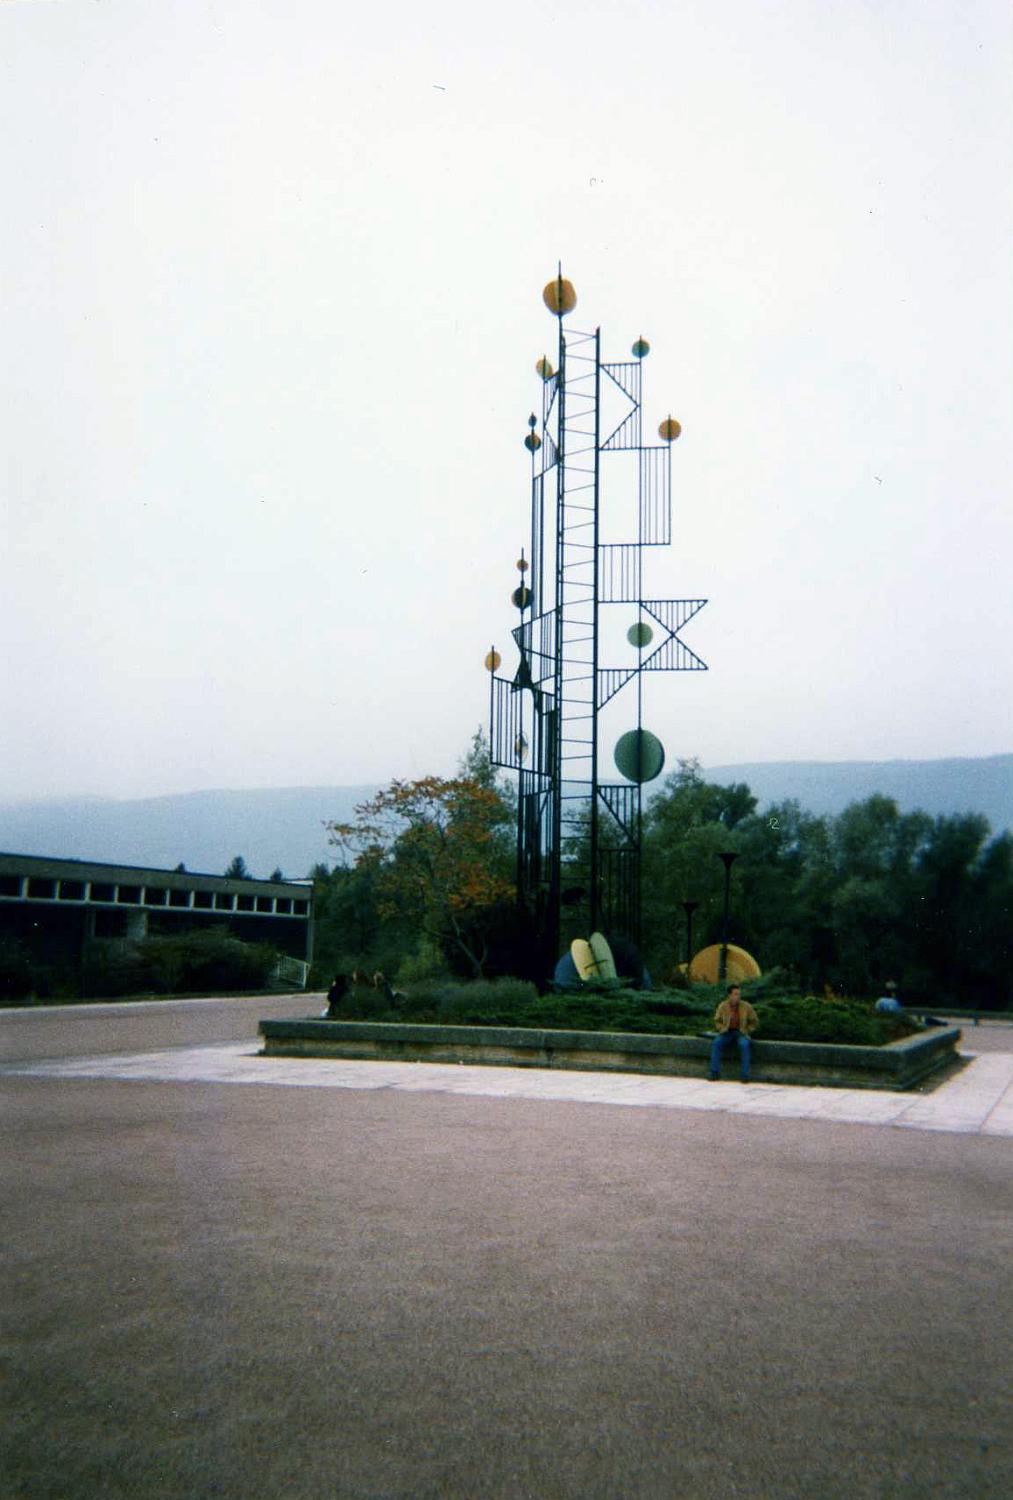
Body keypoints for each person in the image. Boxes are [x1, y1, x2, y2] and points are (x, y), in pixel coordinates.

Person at [708, 983, 759, 1081]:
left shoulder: (746, 1006)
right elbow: (717, 1020)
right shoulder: (723, 1006)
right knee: (716, 1043)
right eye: (735, 994)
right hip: (726, 1032)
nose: (738, 996)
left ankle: (744, 1075)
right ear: (730, 995)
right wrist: (721, 1029)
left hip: (741, 1032)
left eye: (739, 994)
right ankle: (714, 1073)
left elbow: (754, 1021)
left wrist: (748, 1030)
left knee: (744, 1045)